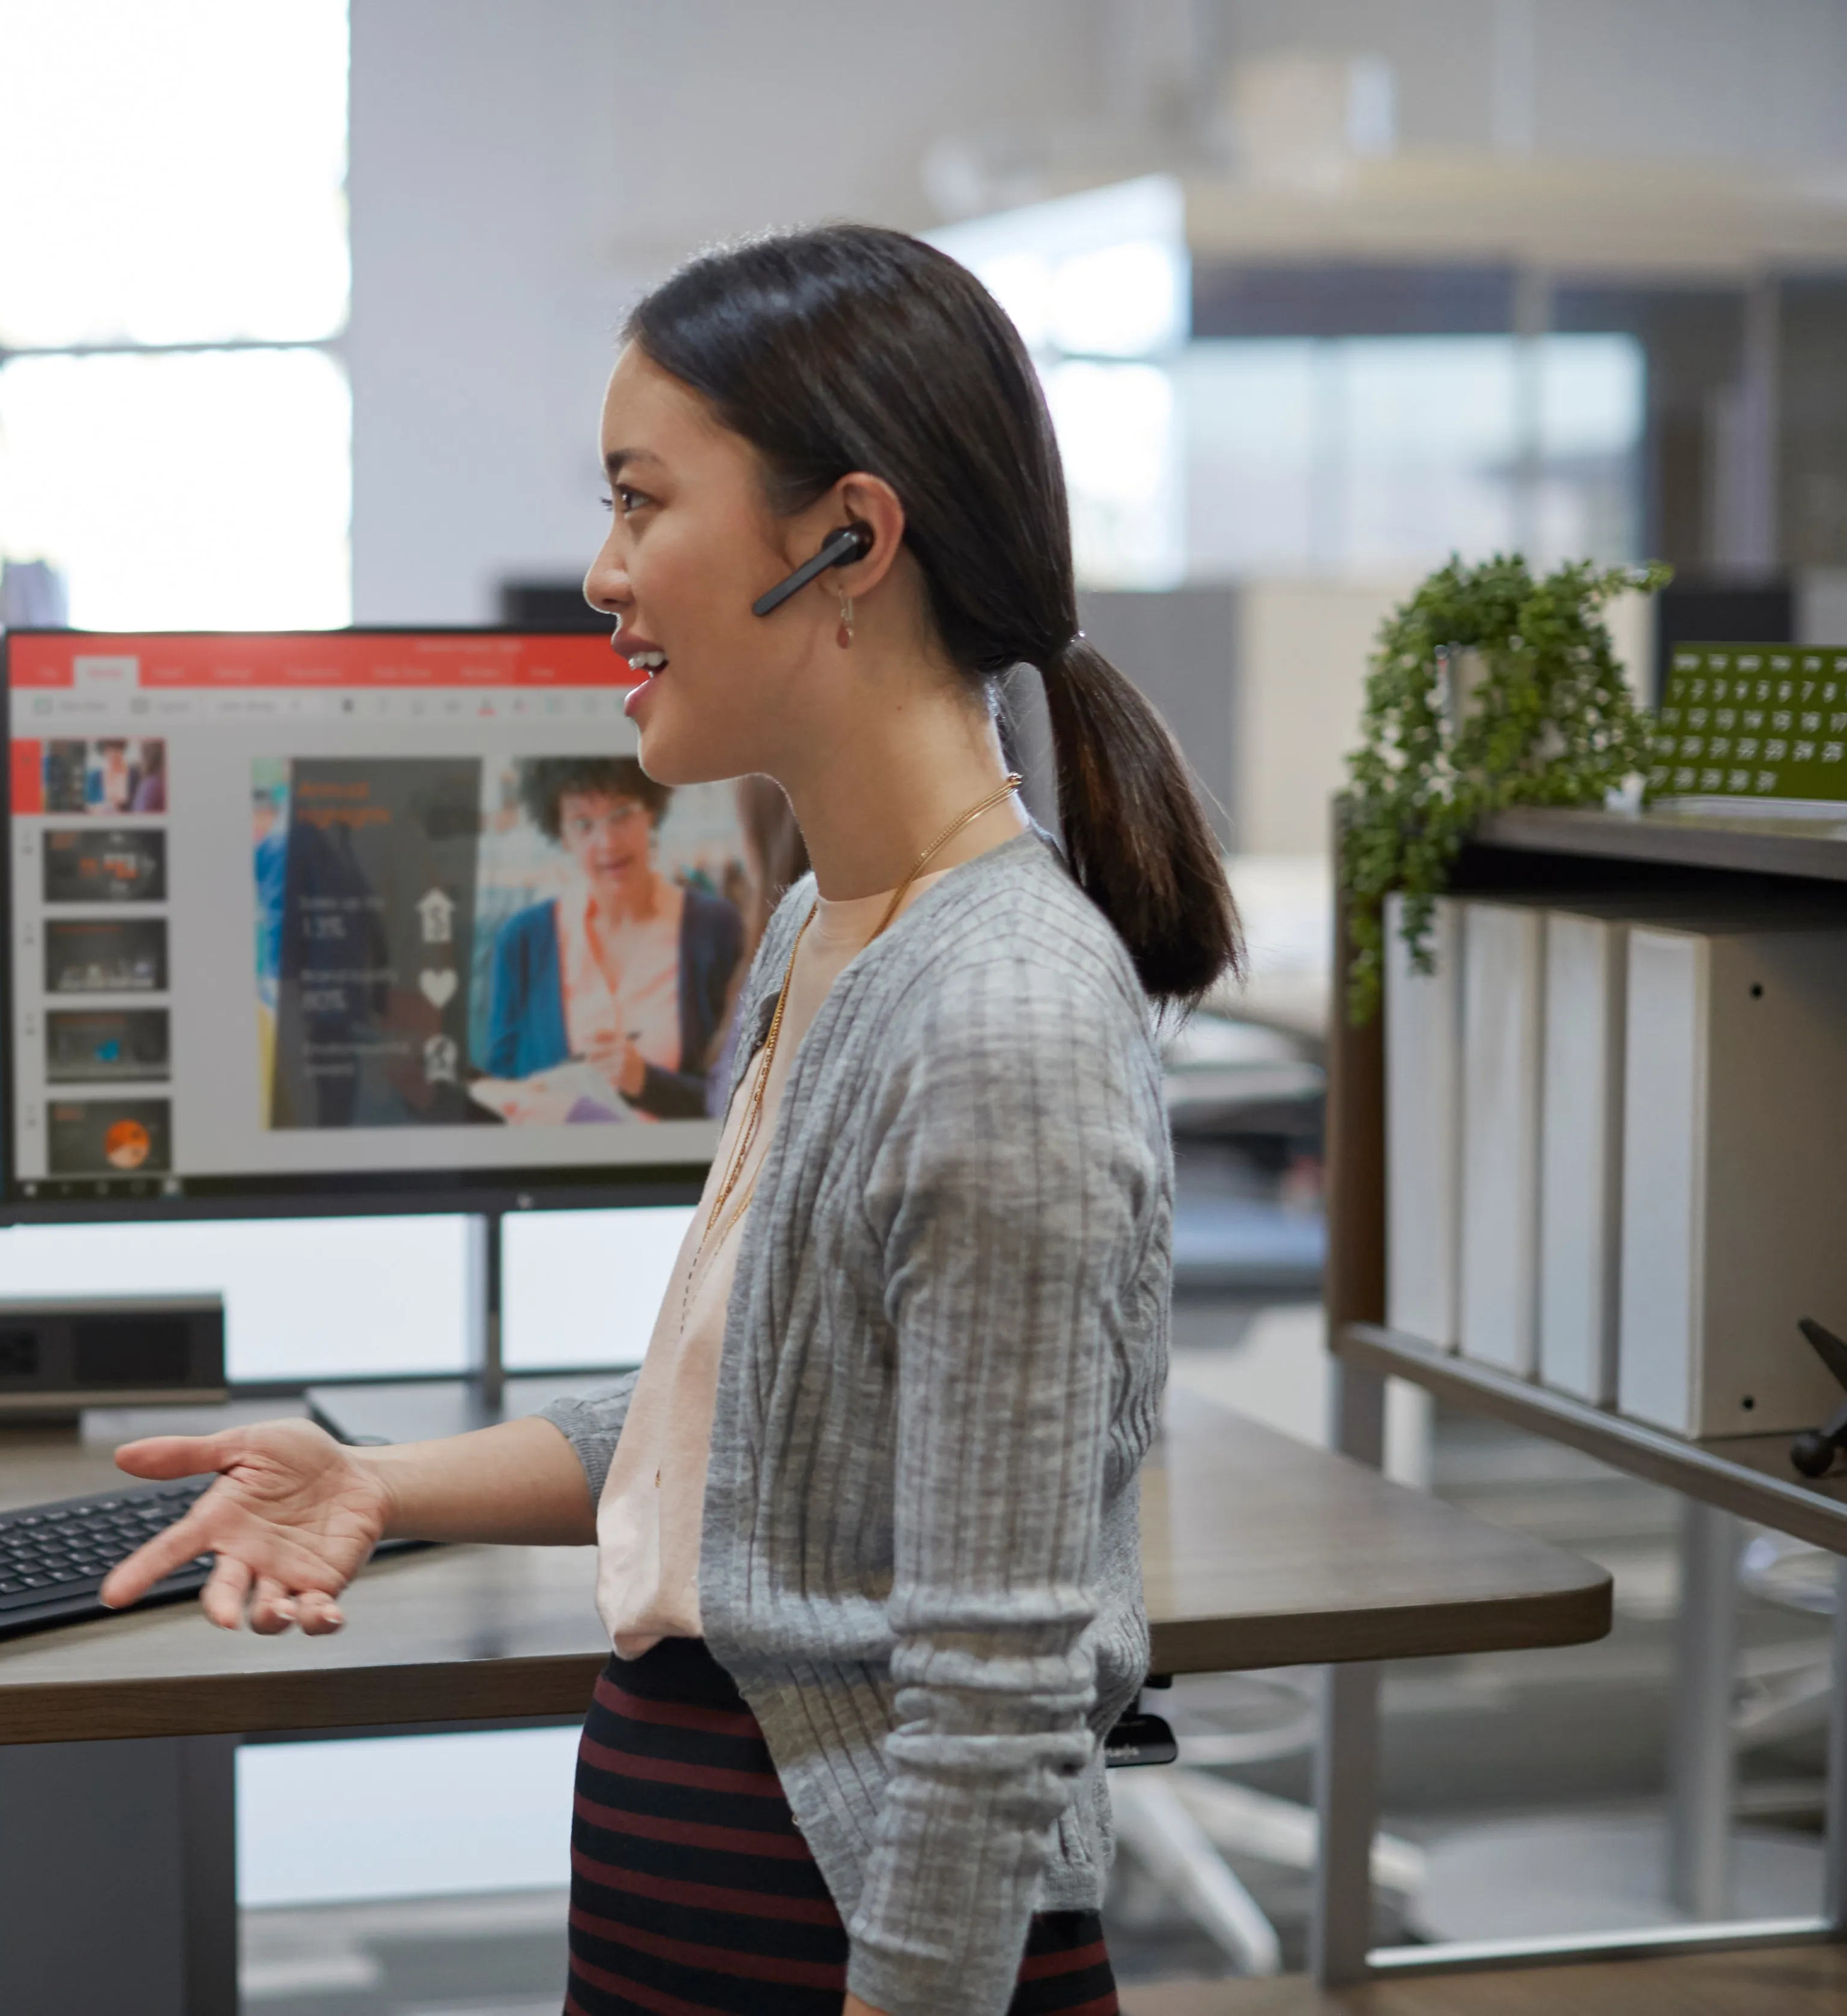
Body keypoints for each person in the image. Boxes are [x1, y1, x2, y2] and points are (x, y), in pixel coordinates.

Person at [96, 223, 1236, 2016]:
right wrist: (378, 1482)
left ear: (845, 539)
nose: (601, 571)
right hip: (696, 1892)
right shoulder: (823, 923)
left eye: (642, 504)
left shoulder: (1001, 1010)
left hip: (847, 1937)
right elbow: (765, 1410)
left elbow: (997, 1702)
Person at [481, 757, 744, 1119]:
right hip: (560, 1172)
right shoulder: (522, 941)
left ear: (651, 811)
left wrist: (646, 1082)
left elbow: (744, 1098)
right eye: (583, 824)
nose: (607, 842)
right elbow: (498, 1096)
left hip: (682, 1173)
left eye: (622, 814)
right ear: (562, 835)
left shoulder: (716, 930)